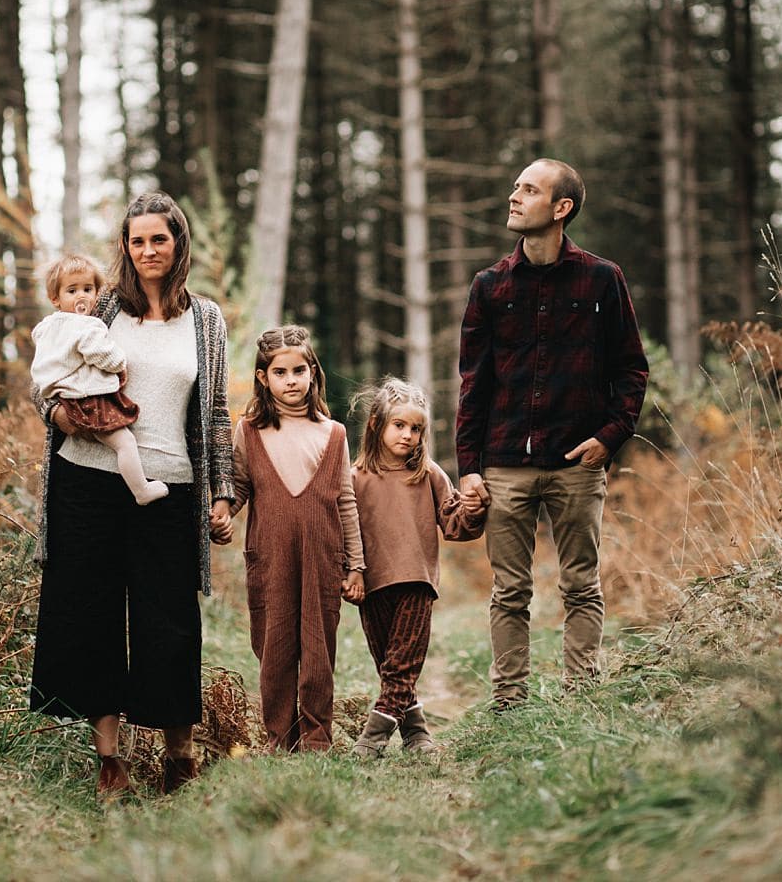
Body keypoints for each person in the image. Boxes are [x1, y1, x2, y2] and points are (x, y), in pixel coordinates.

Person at [29, 191, 235, 799]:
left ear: (178, 245)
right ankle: (109, 760)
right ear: (125, 246)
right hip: (88, 477)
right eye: (137, 240)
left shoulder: (205, 319)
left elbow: (217, 412)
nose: (148, 250)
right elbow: (49, 371)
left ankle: (178, 755)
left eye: (159, 239)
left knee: (168, 616)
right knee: (91, 609)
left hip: (168, 483)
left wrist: (222, 490)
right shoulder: (100, 308)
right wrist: (56, 414)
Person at [455, 158, 649, 711]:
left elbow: (632, 369)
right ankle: (510, 704)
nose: (513, 196)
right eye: (514, 186)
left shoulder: (602, 280)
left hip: (576, 464)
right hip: (505, 463)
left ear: (561, 208)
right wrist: (469, 466)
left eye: (529, 189)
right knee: (509, 592)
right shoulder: (489, 286)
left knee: (581, 587)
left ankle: (581, 698)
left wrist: (611, 436)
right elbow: (474, 383)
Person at [230, 325, 365, 752]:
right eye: (280, 372)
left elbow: (346, 502)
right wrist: (220, 514)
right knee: (274, 647)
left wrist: (356, 565)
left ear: (313, 373)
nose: (291, 380)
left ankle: (317, 736)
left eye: (299, 370)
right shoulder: (249, 431)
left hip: (324, 559)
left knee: (318, 649)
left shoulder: (334, 434)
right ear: (263, 378)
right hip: (270, 558)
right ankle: (279, 736)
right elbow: (236, 487)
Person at [347, 378, 486, 759]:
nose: (408, 435)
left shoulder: (428, 475)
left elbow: (456, 525)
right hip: (371, 586)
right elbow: (344, 531)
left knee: (403, 665)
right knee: (390, 666)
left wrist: (473, 510)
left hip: (416, 581)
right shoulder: (354, 478)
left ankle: (371, 741)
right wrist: (351, 572)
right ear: (376, 424)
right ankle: (417, 735)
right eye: (399, 425)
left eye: (416, 428)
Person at [29, 253, 169, 507]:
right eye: (72, 291)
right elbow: (104, 356)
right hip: (89, 401)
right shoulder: (86, 326)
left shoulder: (46, 328)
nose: (81, 296)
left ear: (97, 292)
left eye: (87, 289)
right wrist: (119, 361)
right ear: (55, 298)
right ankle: (141, 489)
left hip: (66, 400)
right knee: (125, 442)